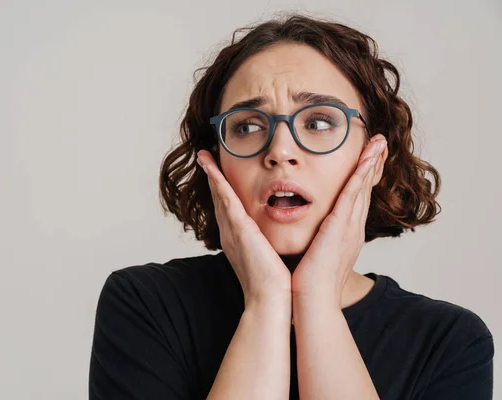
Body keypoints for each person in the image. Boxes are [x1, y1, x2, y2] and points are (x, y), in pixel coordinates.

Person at [88, 13, 494, 399]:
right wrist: (266, 302)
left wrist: (316, 300)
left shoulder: (450, 342)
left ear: (373, 159)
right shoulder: (145, 303)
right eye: (247, 126)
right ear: (215, 161)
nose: (280, 151)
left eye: (318, 122)